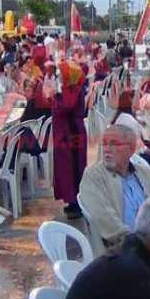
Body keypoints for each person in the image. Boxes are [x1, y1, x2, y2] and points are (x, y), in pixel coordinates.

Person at [79, 124, 150, 248]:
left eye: (114, 144)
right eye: (104, 144)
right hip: (124, 251)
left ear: (131, 148)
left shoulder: (143, 172)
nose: (106, 149)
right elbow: (105, 220)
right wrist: (140, 244)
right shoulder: (93, 176)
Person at [52, 61, 88, 219]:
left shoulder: (72, 91)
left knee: (72, 169)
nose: (59, 77)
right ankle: (72, 201)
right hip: (69, 134)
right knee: (69, 169)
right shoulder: (73, 89)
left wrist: (53, 97)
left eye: (62, 74)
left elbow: (64, 107)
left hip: (71, 135)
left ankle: (75, 203)